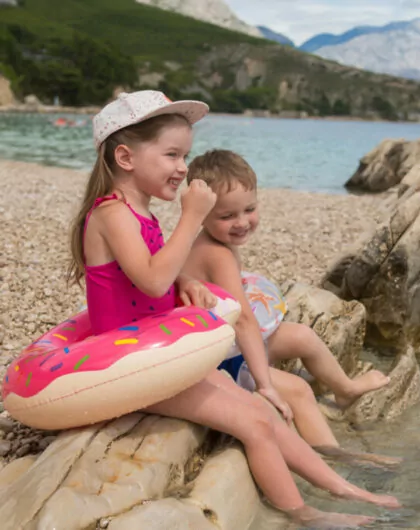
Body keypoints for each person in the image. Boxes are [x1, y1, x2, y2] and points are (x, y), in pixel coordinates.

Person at [67, 90, 399, 527]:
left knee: (262, 409)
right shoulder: (111, 213)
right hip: (135, 366)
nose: (183, 167)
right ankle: (304, 513)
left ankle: (343, 486)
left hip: (158, 354)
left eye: (184, 154)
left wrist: (186, 281)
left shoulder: (137, 210)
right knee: (254, 424)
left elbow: (150, 275)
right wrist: (190, 218)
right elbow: (150, 279)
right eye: (172, 154)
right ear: (126, 157)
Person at [182, 149, 399, 467]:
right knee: (297, 389)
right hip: (219, 363)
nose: (242, 222)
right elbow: (242, 321)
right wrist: (266, 385)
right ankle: (334, 458)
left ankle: (345, 390)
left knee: (302, 336)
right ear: (201, 214)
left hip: (231, 346)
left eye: (250, 209)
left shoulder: (217, 244)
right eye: (227, 216)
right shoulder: (216, 254)